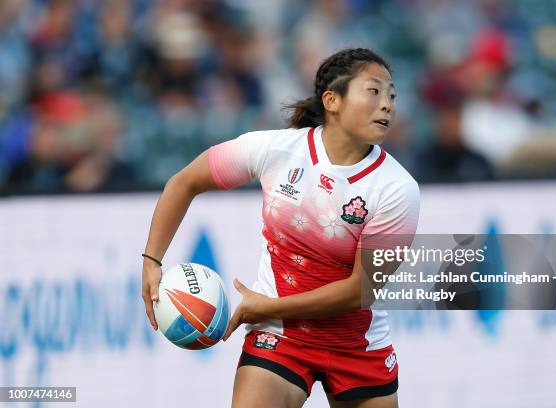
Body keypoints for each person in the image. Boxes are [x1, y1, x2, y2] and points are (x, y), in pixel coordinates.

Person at [141, 48, 420, 408]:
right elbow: (183, 183)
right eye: (374, 91)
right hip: (280, 338)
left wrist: (267, 307)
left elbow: (359, 290)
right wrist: (152, 260)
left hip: (357, 346)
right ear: (332, 100)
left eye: (392, 95)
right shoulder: (277, 150)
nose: (388, 105)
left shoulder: (397, 189)